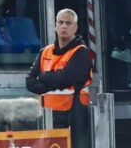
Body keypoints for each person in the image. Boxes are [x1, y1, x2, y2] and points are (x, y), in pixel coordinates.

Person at [26, 8, 92, 143]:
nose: (63, 26)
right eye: (60, 22)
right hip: (48, 115)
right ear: (55, 26)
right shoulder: (45, 51)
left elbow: (66, 78)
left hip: (74, 115)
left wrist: (43, 77)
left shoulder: (81, 52)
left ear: (75, 28)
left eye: (68, 23)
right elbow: (30, 82)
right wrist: (52, 81)